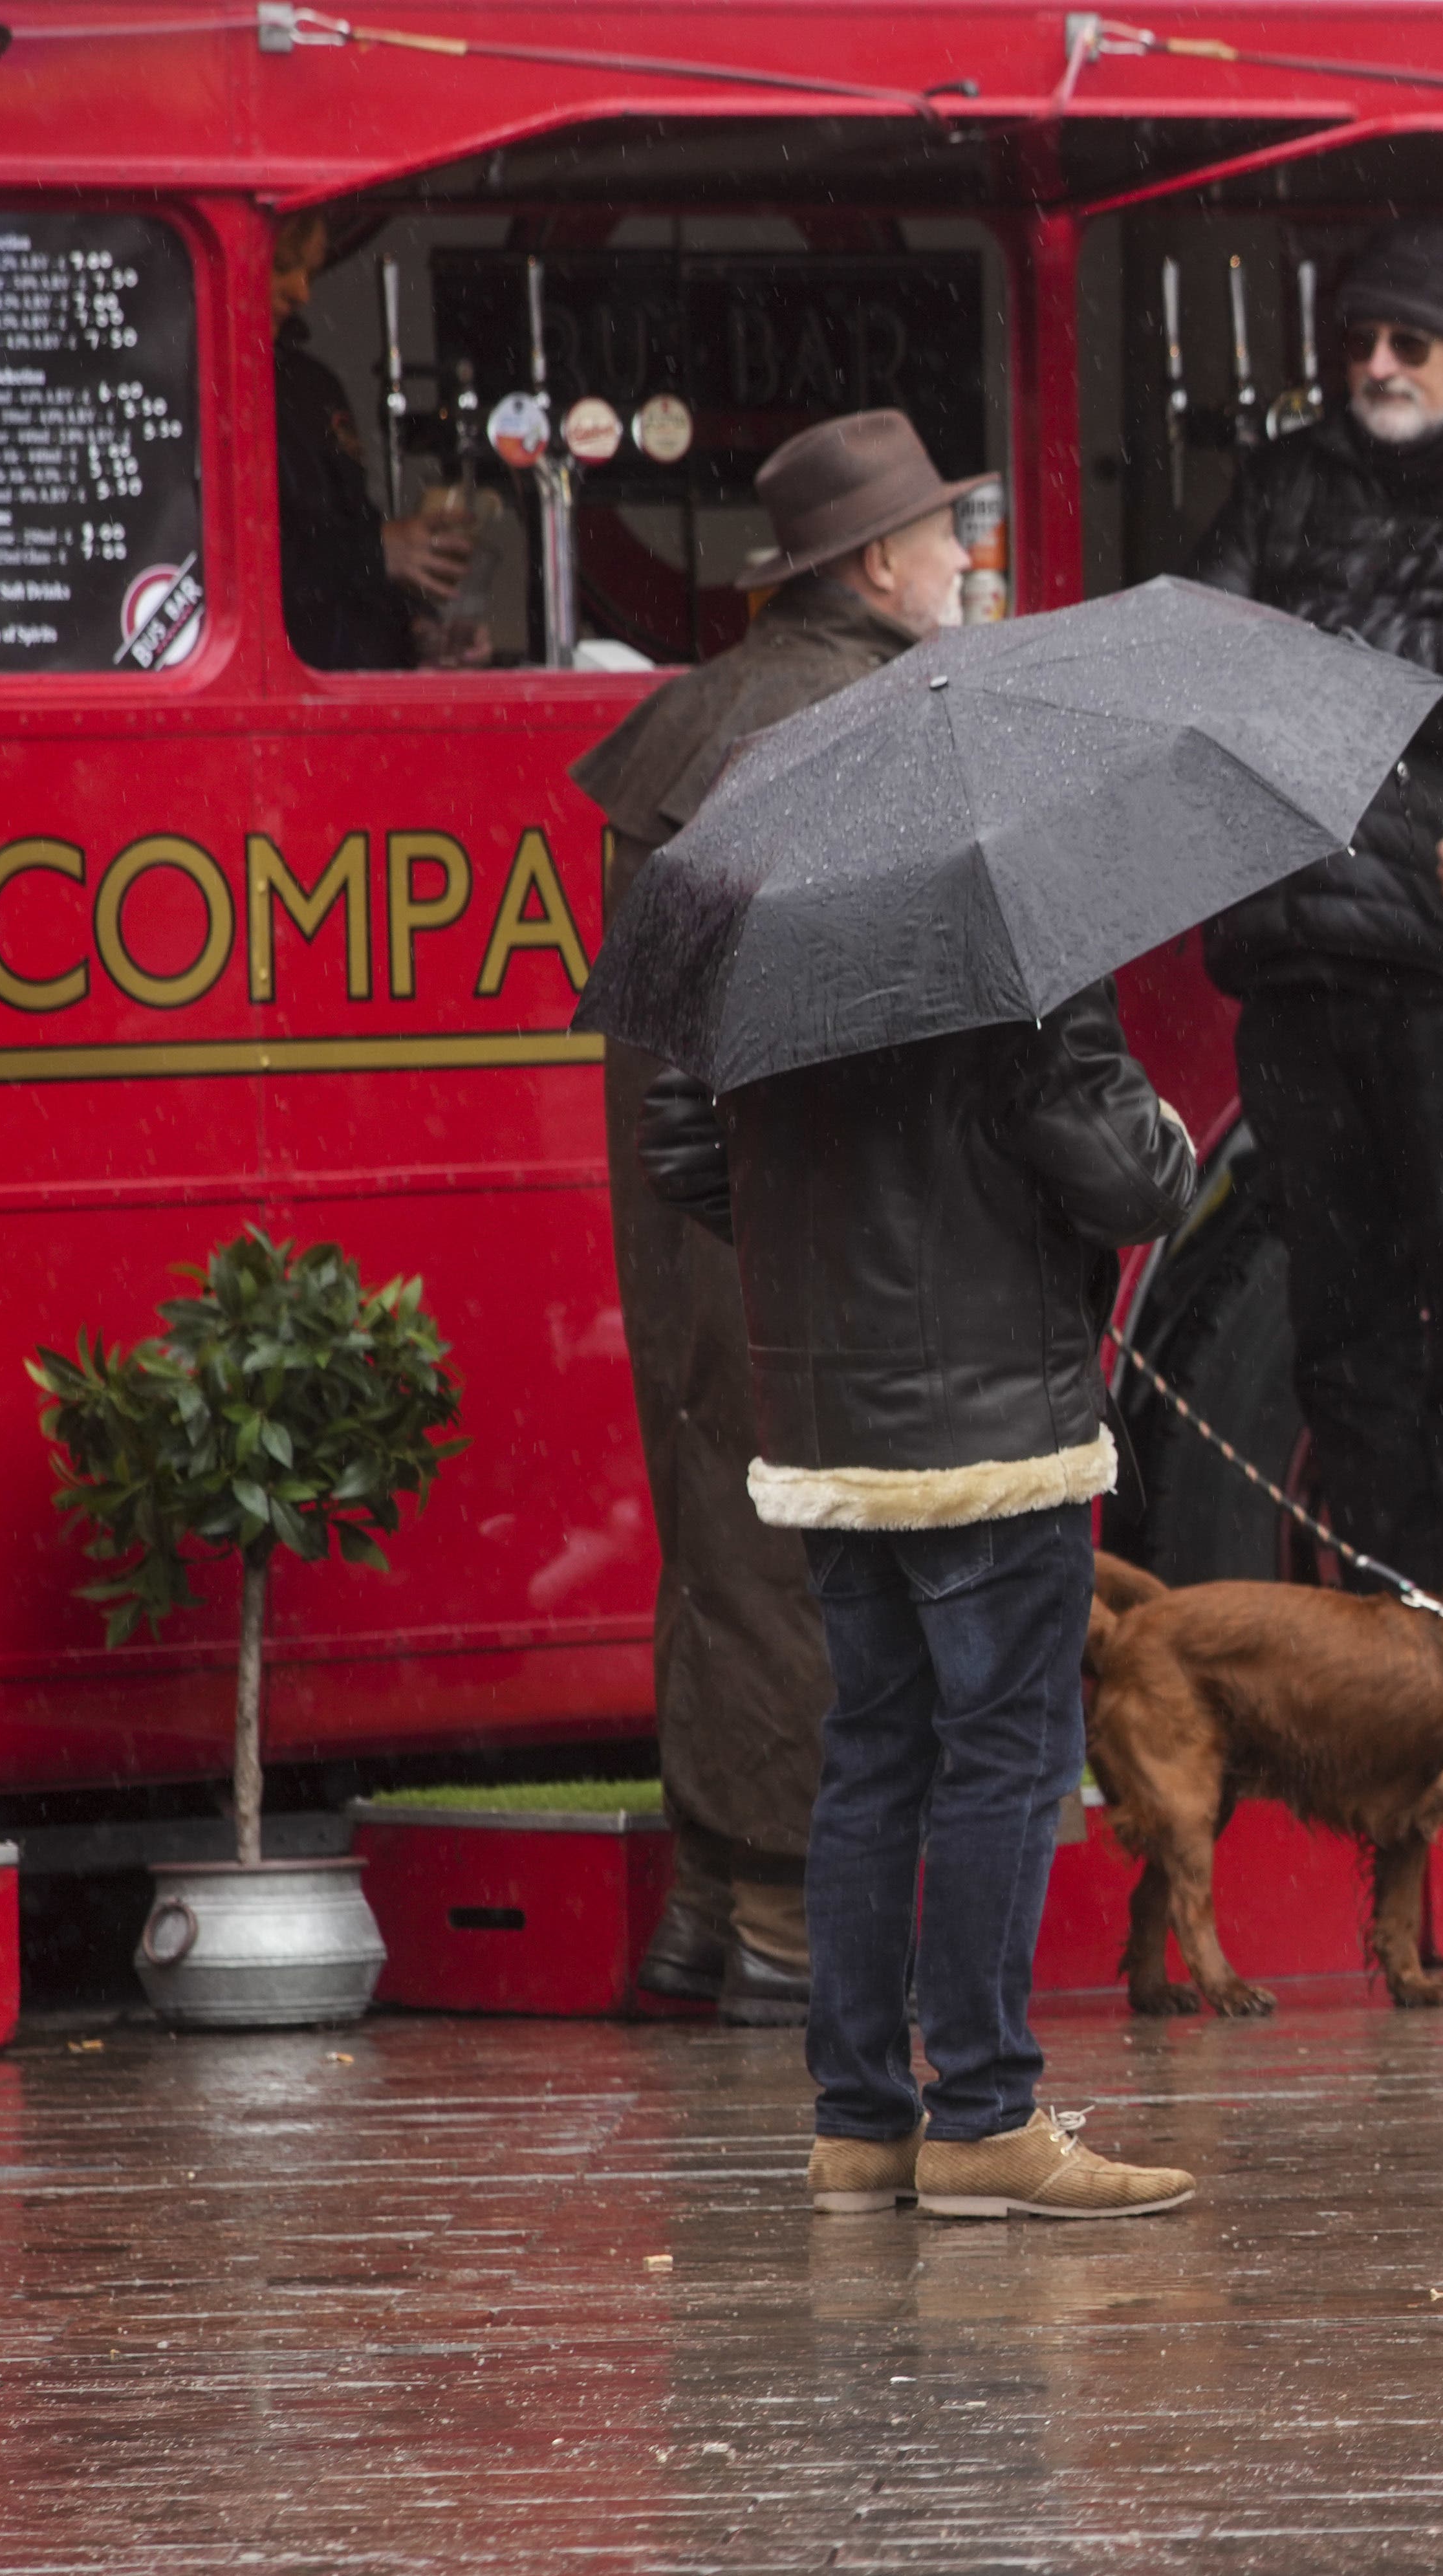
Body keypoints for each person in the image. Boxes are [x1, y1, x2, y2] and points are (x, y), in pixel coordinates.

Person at [641, 989, 1200, 2219]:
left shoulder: (764, 934)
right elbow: (1128, 1179)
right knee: (1002, 1760)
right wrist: (1170, 1136)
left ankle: (859, 2124)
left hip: (832, 1425)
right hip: (995, 1429)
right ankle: (987, 2117)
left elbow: (683, 1147)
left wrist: (825, 1262)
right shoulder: (1011, 951)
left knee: (875, 1753)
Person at [571, 410, 979, 2024]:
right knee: (821, 1557)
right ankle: (787, 1919)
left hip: (692, 1211)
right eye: (945, 537)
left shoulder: (707, 719)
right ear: (879, 566)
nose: (962, 561)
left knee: (723, 1543)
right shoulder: (854, 728)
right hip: (801, 1214)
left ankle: (705, 1899)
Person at [1183, 217, 1443, 1595]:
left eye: (1406, 341)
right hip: (1296, 959)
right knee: (1336, 1329)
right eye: (1359, 339)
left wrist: (1320, 657)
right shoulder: (1288, 475)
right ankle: (1386, 1621)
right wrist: (1385, 677)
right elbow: (1203, 642)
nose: (1374, 364)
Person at [269, 212, 470, 672]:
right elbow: (235, 567)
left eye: (312, 273)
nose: (302, 292)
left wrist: (418, 627)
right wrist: (376, 552)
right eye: (282, 267)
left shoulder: (312, 384)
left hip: (349, 678)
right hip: (283, 684)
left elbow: (354, 520)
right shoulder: (185, 385)